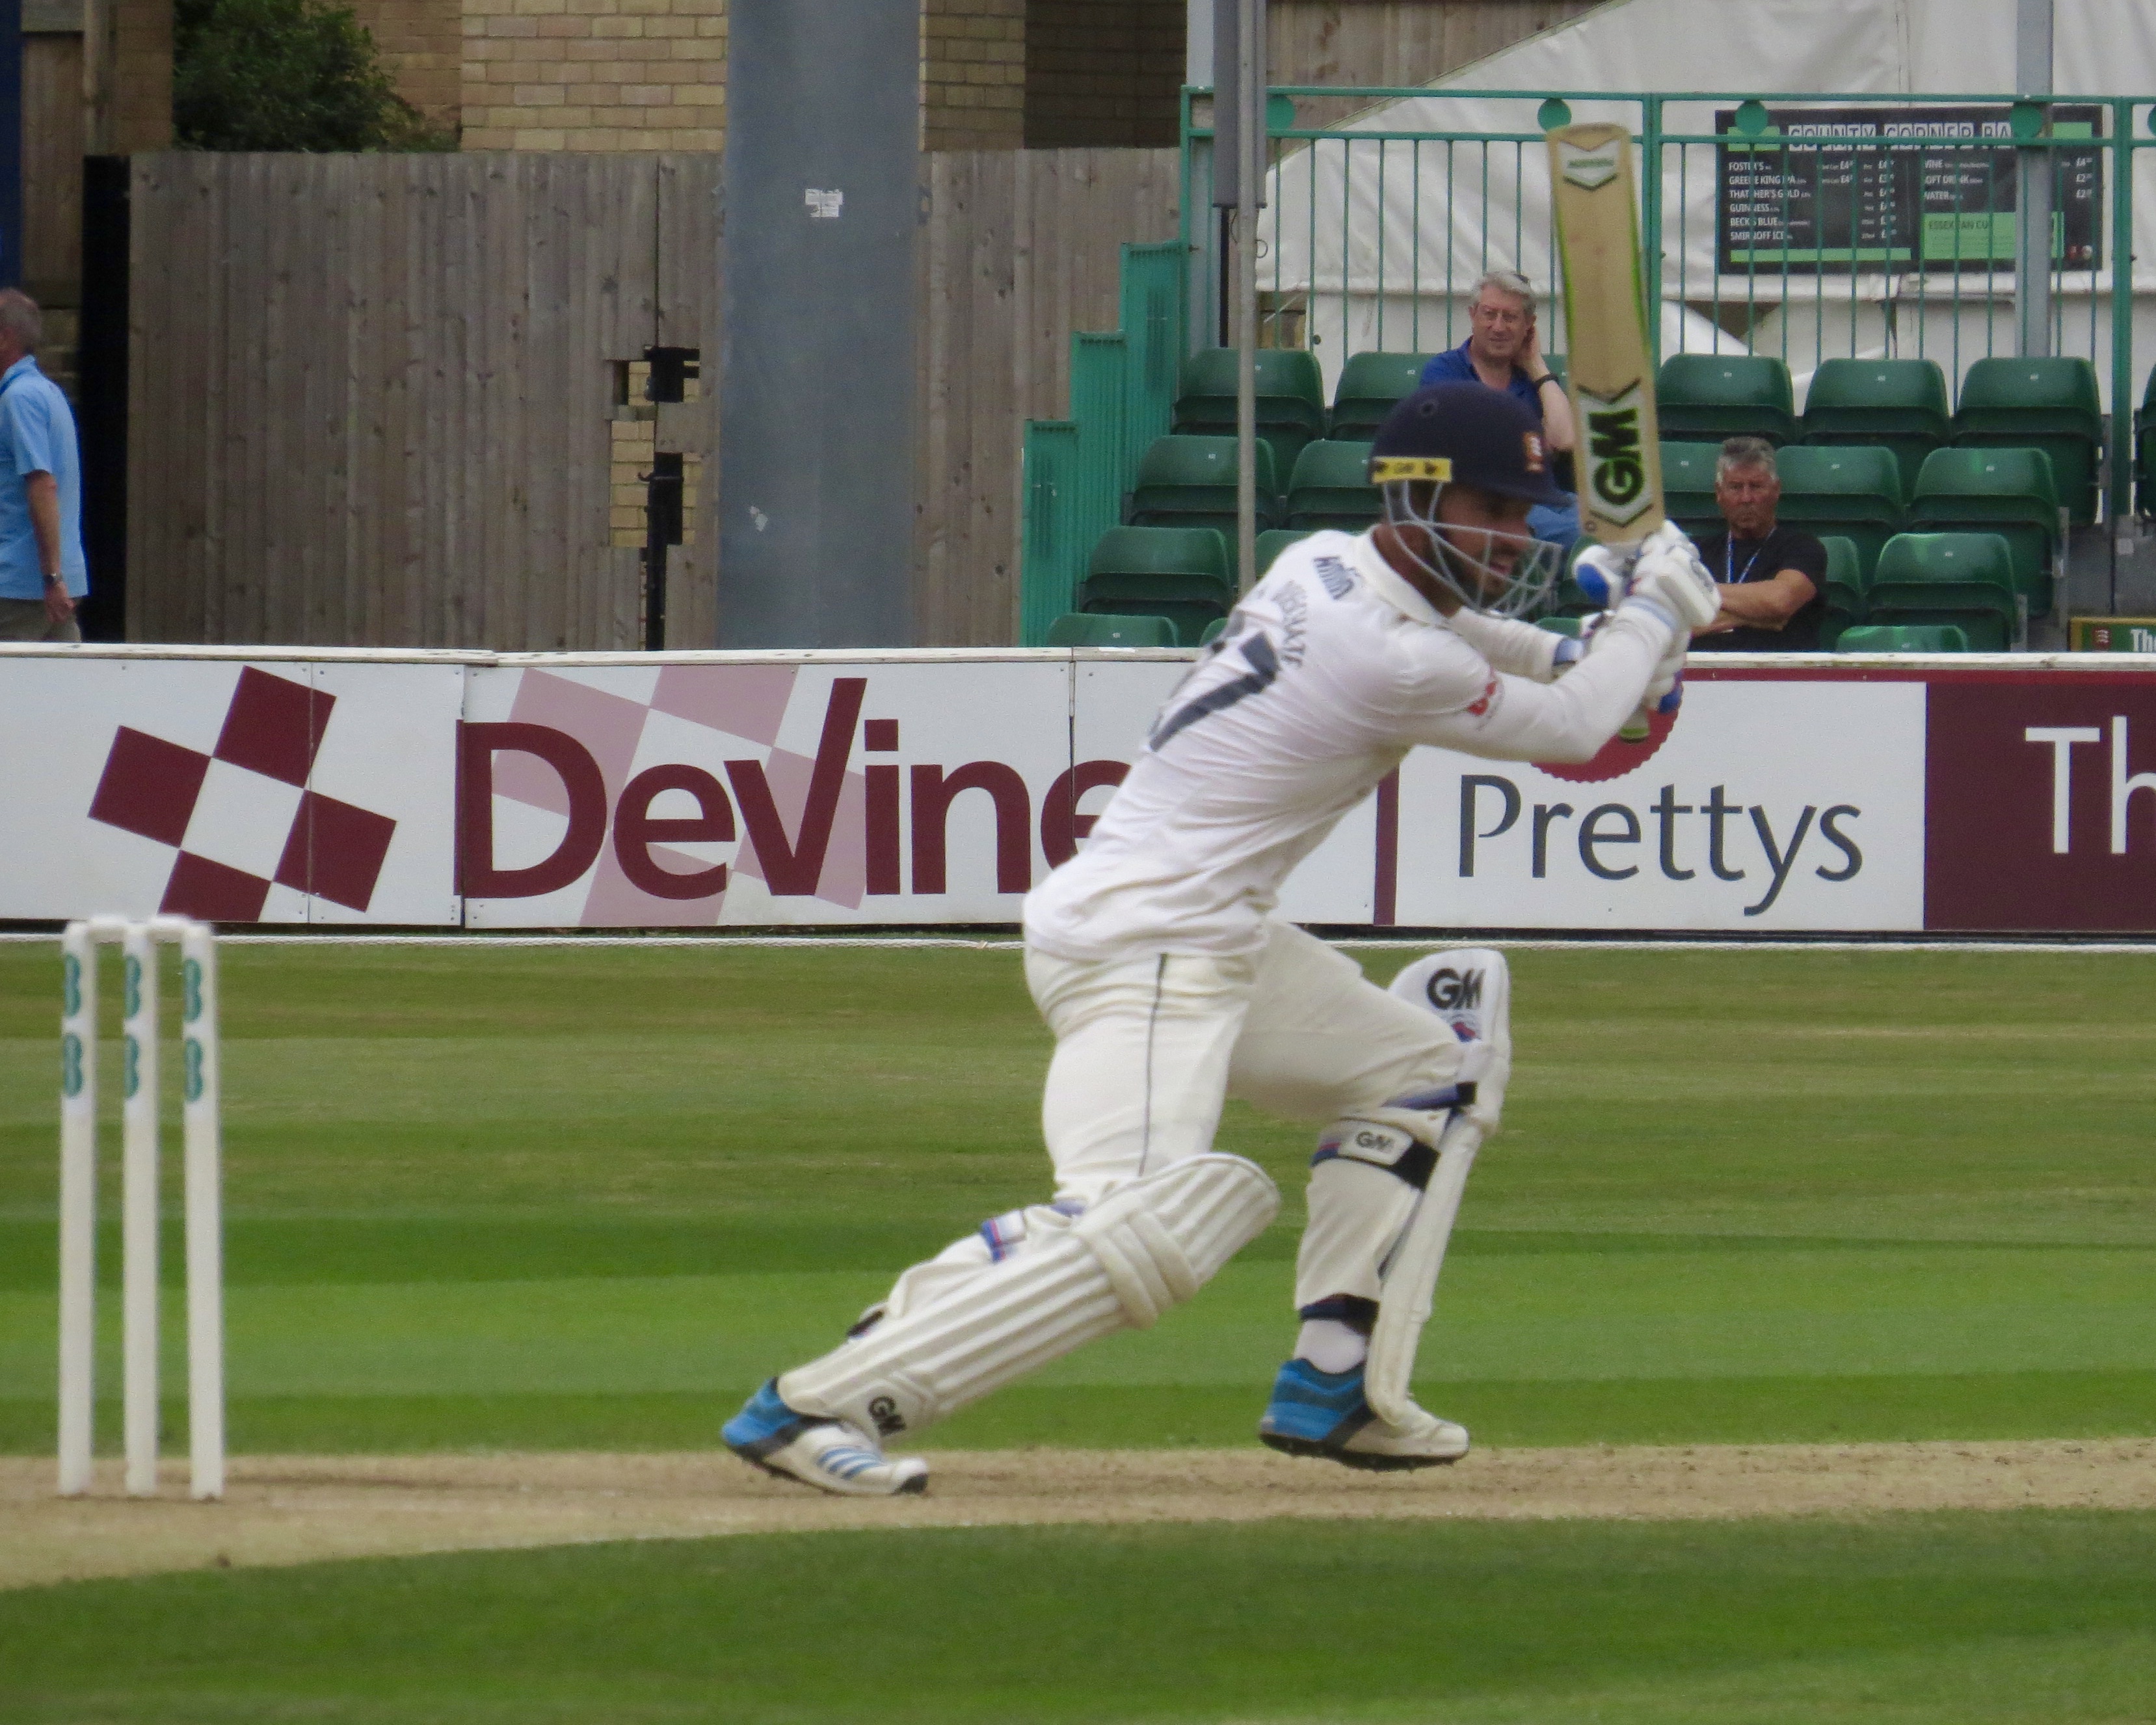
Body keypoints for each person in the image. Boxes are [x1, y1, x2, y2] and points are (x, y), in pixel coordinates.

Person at [722, 383, 1719, 1497]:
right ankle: (819, 1402)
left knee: (1425, 1074)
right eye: (1491, 509)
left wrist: (1620, 636)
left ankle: (1336, 1379)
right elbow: (1575, 727)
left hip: (1200, 932)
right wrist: (1650, 615)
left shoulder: (1325, 563)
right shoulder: (1394, 659)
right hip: (1152, 945)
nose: (1516, 536)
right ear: (1413, 495)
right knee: (1147, 1218)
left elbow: (1527, 663)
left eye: (1523, 512)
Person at [1418, 270, 1580, 553]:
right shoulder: (1444, 373)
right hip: (1491, 505)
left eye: (1511, 318)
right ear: (1473, 315)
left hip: (1549, 497)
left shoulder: (1534, 380)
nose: (1498, 327)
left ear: (1529, 325)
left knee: (1614, 527)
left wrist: (1537, 367)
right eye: (1489, 314)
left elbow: (1565, 440)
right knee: (1580, 538)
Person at [0, 290, 87, 643]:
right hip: (54, 581)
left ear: (4, 339)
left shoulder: (18, 398)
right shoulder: (49, 393)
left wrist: (51, 577)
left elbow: (42, 484)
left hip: (20, 586)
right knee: (63, 673)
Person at [1685, 436, 1828, 652]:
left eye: (1756, 486)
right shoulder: (1696, 552)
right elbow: (1673, 624)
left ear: (1776, 490)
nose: (1746, 498)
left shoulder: (1803, 548)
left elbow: (1779, 601)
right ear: (1719, 493)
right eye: (1735, 487)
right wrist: (1758, 616)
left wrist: (1697, 589)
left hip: (1780, 669)